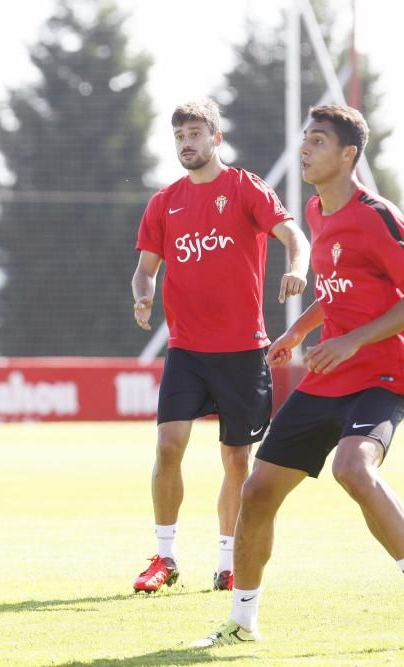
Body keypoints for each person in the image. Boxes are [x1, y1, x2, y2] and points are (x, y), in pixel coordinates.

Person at [194, 104, 404, 646]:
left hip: (381, 374)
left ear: (348, 153)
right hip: (327, 377)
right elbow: (337, 293)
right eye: (304, 140)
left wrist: (354, 339)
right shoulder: (314, 212)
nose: (305, 150)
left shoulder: (376, 214)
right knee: (258, 492)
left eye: (316, 141)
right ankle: (241, 624)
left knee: (352, 469)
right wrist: (300, 333)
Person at [131, 99, 310, 593]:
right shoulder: (164, 202)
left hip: (243, 351)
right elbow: (145, 270)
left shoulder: (244, 187)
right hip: (186, 351)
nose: (186, 143)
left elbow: (294, 235)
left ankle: (228, 562)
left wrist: (297, 268)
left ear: (216, 138)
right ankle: (164, 558)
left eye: (194, 134)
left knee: (237, 461)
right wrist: (143, 296)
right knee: (169, 447)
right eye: (179, 137)